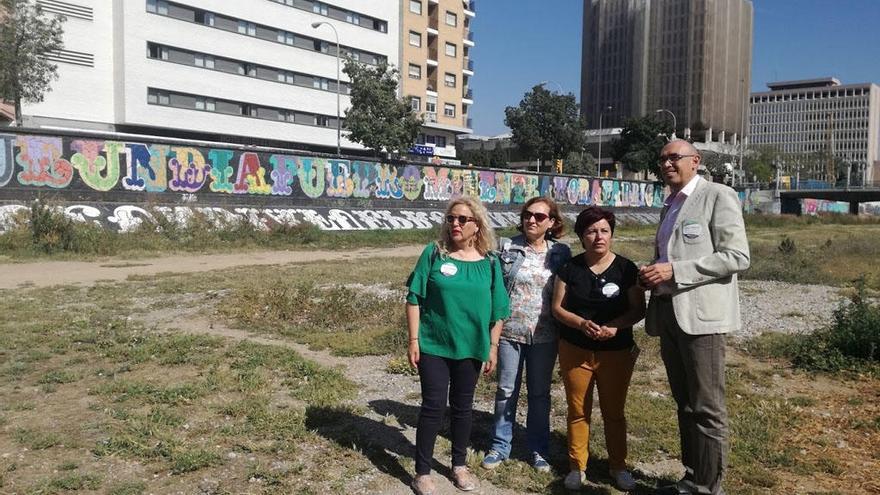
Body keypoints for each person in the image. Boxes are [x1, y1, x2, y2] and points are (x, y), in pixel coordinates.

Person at [639, 140, 750, 495]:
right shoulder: (670, 204)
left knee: (707, 407)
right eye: (663, 159)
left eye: (675, 157)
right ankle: (692, 476)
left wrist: (674, 271)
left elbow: (736, 256)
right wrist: (653, 273)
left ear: (695, 161)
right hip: (670, 313)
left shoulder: (718, 195)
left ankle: (709, 486)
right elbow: (669, 255)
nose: (667, 163)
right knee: (685, 403)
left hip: (702, 319)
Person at [405, 196, 511, 495]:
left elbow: (498, 309)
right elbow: (414, 297)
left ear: (477, 226)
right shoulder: (434, 254)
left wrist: (492, 347)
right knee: (433, 407)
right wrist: (414, 340)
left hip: (472, 347)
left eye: (463, 219)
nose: (455, 224)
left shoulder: (490, 263)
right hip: (434, 345)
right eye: (451, 218)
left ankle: (459, 465)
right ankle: (422, 472)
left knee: (463, 408)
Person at [551, 206, 646, 492]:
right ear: (582, 236)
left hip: (616, 352)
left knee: (614, 412)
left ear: (612, 235)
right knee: (578, 410)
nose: (599, 236)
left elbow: (638, 309)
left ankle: (618, 466)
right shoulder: (570, 268)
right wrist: (581, 323)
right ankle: (576, 467)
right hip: (575, 350)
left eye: (604, 230)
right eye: (591, 231)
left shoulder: (627, 269)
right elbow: (557, 308)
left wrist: (615, 326)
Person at [481, 197, 571, 472]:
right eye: (527, 215)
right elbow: (493, 286)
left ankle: (538, 449)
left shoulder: (561, 253)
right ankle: (500, 445)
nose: (531, 220)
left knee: (540, 394)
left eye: (539, 217)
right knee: (506, 390)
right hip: (509, 332)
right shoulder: (507, 247)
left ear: (552, 223)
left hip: (544, 335)